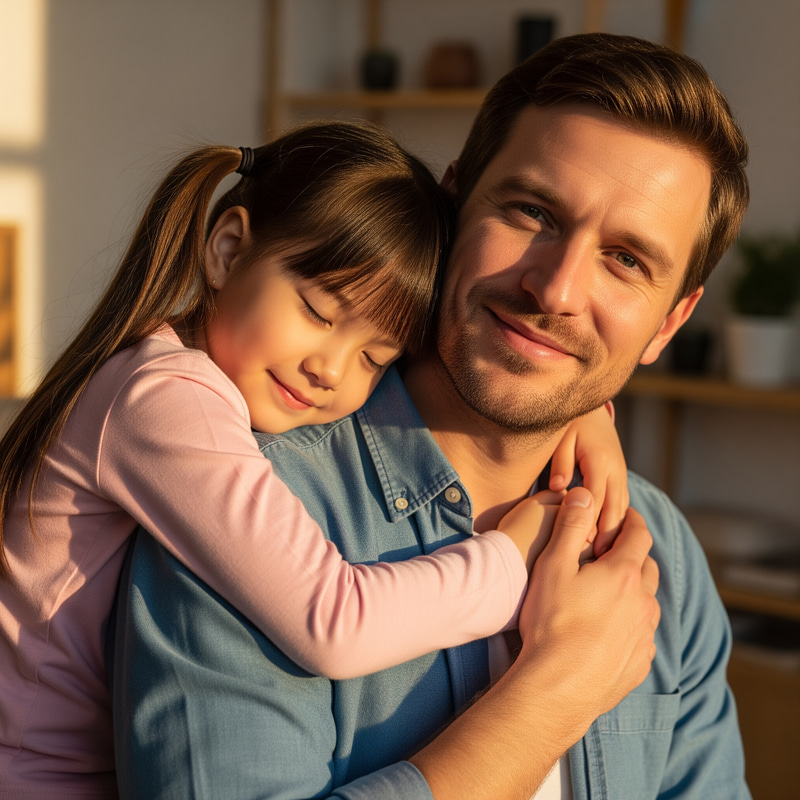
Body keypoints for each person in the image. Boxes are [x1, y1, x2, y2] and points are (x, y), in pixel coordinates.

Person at [110, 32, 751, 800]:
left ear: (670, 325)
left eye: (626, 260)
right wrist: (553, 698)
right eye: (531, 211)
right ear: (452, 205)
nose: (555, 290)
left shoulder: (660, 556)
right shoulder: (242, 504)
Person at [0, 121, 630, 798]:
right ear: (228, 249)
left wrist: (583, 410)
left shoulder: (168, 377)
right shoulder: (165, 400)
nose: (329, 368)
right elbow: (332, 620)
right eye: (317, 311)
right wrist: (515, 563)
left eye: (373, 357)